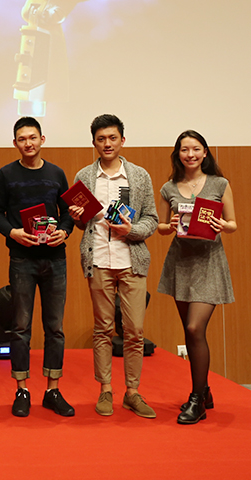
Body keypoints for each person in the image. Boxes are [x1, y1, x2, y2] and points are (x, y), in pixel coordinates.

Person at [68, 114, 158, 419]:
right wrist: (77, 217)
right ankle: (105, 389)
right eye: (101, 139)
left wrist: (130, 231)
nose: (107, 144)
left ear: (122, 140)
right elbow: (82, 224)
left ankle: (132, 392)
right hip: (98, 261)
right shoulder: (84, 176)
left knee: (134, 330)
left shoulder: (139, 176)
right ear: (94, 142)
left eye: (112, 138)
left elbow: (151, 219)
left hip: (131, 260)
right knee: (103, 329)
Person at [0, 117, 75, 417]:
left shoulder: (57, 173)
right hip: (21, 259)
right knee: (20, 328)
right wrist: (12, 232)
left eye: (32, 137)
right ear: (15, 143)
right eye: (22, 139)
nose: (28, 143)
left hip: (55, 259)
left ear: (42, 139)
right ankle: (22, 390)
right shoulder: (6, 174)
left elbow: (68, 212)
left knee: (55, 328)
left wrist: (64, 232)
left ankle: (53, 390)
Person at [156, 130, 236, 425]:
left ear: (205, 153)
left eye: (196, 149)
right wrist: (170, 225)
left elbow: (233, 223)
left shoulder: (219, 183)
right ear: (177, 154)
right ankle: (205, 390)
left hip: (209, 262)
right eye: (184, 149)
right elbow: (161, 226)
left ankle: (196, 400)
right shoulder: (168, 188)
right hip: (181, 263)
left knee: (194, 328)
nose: (190, 154)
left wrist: (222, 224)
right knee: (190, 333)